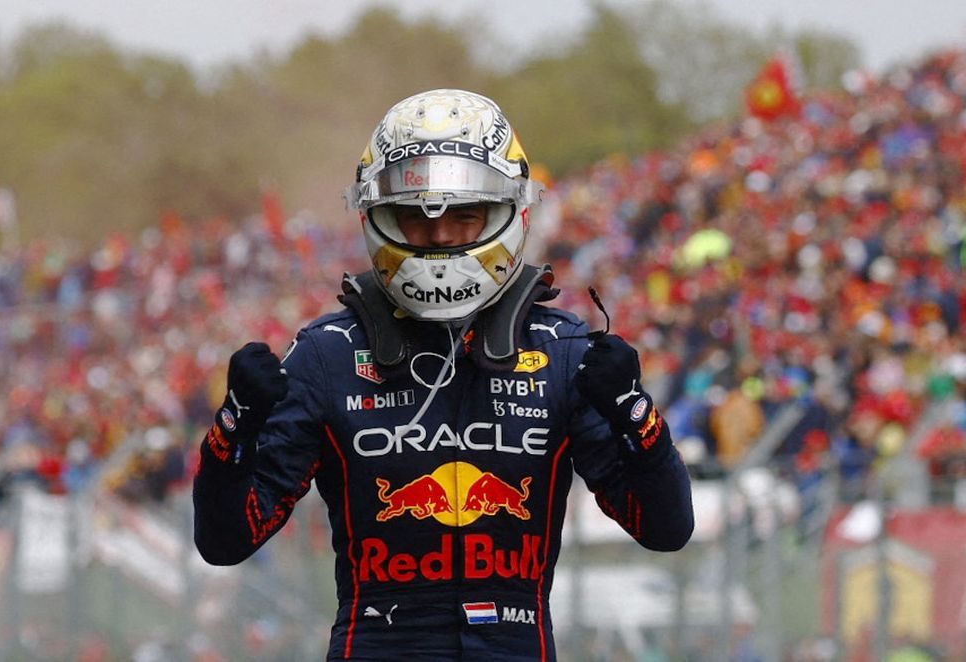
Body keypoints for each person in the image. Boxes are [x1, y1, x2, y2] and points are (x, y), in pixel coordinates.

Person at [193, 89, 694, 661]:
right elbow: (225, 541)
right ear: (376, 216)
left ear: (512, 212)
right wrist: (234, 427)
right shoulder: (326, 355)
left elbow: (666, 528)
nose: (441, 237)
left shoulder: (564, 351)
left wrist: (636, 415)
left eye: (465, 215)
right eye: (415, 217)